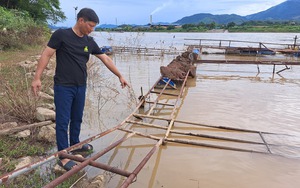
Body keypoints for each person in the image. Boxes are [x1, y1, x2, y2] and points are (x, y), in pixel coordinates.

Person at [31, 8, 129, 171]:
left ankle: (75, 146)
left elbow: (105, 58)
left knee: (77, 119)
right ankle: (63, 156)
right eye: (90, 25)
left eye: (94, 27)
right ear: (81, 20)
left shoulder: (88, 42)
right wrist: (37, 78)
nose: (92, 29)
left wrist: (120, 75)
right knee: (63, 121)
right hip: (63, 86)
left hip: (80, 86)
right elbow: (46, 54)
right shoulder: (61, 35)